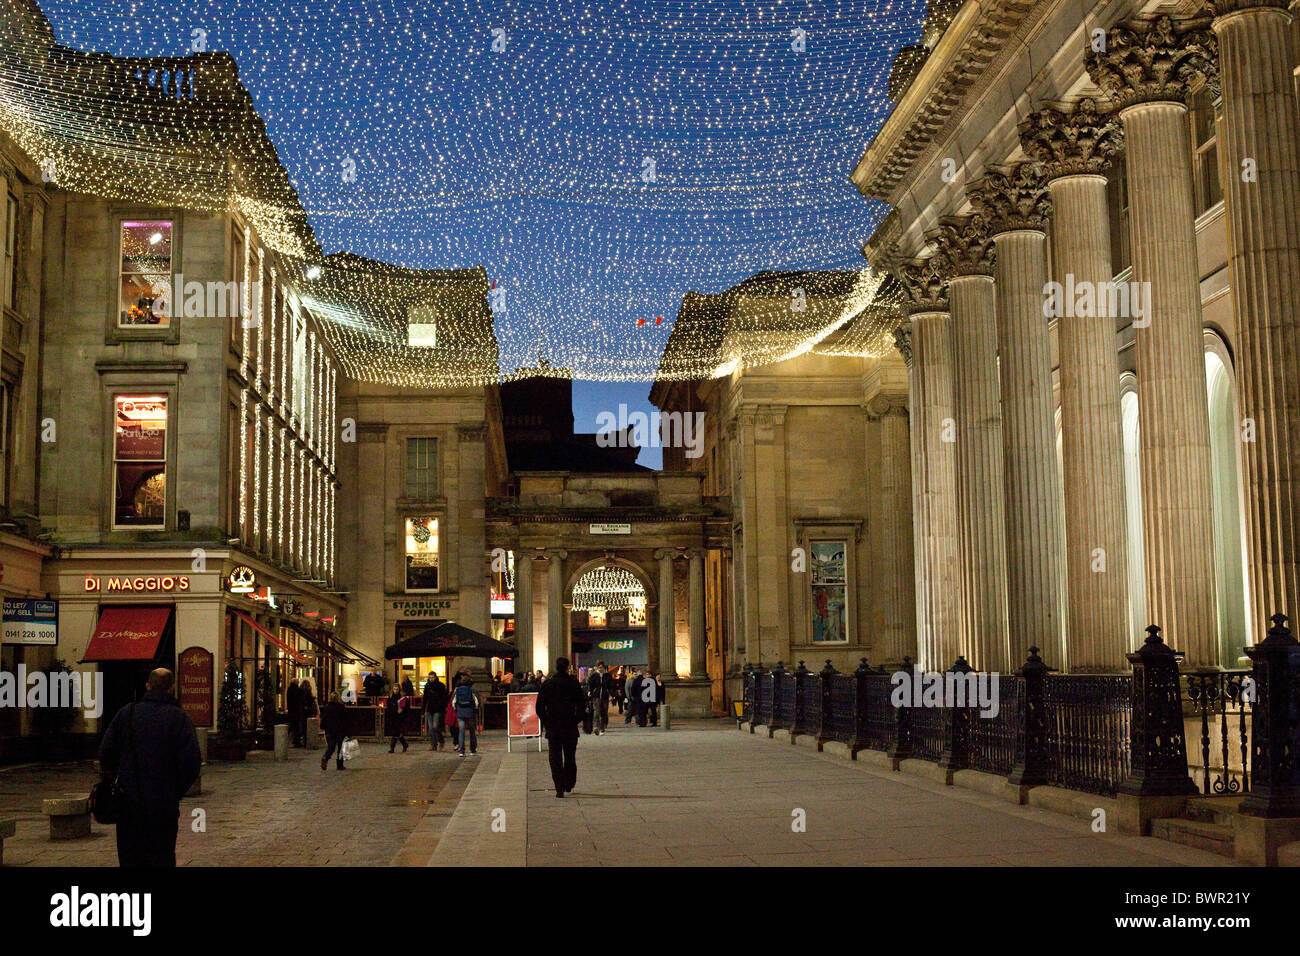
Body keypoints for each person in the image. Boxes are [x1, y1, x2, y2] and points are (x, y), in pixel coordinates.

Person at [97, 668, 201, 867]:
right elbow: (192, 762)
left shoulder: (127, 713)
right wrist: (175, 789)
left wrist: (116, 780)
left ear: (147, 686)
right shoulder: (178, 718)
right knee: (162, 855)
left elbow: (106, 752)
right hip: (163, 803)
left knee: (130, 856)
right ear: (171, 689)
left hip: (129, 801)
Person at [536, 657, 586, 798]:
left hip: (553, 726)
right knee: (570, 756)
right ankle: (569, 783)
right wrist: (576, 719)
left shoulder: (548, 684)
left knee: (555, 757)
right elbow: (582, 705)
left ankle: (559, 787)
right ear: (567, 667)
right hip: (569, 725)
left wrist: (546, 722)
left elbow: (539, 707)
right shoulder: (573, 683)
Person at [320, 692, 348, 771]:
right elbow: (345, 720)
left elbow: (324, 718)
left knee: (331, 747)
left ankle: (326, 757)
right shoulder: (341, 707)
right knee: (340, 748)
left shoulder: (327, 707)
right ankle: (340, 765)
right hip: (340, 730)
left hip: (329, 730)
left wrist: (323, 727)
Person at [452, 675, 479, 756]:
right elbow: (476, 702)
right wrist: (475, 709)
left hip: (460, 713)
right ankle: (472, 750)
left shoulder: (457, 690)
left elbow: (453, 702)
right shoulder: (472, 690)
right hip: (470, 712)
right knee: (472, 731)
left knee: (461, 732)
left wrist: (457, 709)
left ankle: (462, 751)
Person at [422, 672, 449, 750]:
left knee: (435, 726)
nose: (431, 679)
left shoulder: (441, 686)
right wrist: (423, 710)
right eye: (430, 677)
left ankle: (441, 740)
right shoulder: (427, 686)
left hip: (438, 709)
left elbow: (444, 697)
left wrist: (443, 706)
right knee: (430, 728)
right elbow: (425, 699)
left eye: (432, 677)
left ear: (435, 677)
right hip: (430, 709)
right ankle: (433, 744)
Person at [386, 687, 409, 753]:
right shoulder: (390, 698)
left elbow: (404, 708)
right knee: (397, 733)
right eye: (394, 689)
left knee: (395, 732)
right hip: (392, 717)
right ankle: (405, 744)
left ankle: (392, 748)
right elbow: (388, 707)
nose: (395, 691)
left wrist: (401, 711)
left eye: (397, 689)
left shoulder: (402, 698)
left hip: (399, 717)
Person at [586, 662, 608, 735]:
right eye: (599, 667)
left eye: (602, 667)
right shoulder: (594, 675)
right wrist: (589, 691)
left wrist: (611, 694)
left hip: (605, 696)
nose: (601, 669)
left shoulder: (607, 675)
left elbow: (610, 685)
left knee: (604, 712)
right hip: (596, 696)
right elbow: (590, 684)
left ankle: (602, 728)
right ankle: (596, 727)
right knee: (596, 711)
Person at [299, 679, 317, 745]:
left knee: (303, 726)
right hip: (308, 711)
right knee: (308, 726)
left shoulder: (300, 691)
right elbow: (310, 700)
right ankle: (307, 740)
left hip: (302, 711)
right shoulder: (308, 692)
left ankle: (304, 740)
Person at [286, 678, 303, 747]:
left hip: (291, 710)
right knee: (296, 726)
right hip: (297, 711)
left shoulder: (289, 689)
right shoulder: (298, 690)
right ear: (296, 683)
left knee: (292, 725)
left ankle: (290, 738)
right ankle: (296, 740)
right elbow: (300, 700)